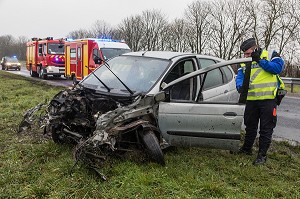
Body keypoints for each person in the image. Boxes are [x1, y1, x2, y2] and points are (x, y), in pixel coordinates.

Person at [236, 38, 285, 165]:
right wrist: (239, 86)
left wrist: (260, 60)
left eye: (248, 53)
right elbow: (240, 76)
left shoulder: (270, 55)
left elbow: (277, 68)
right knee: (250, 127)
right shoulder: (245, 61)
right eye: (244, 54)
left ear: (255, 48)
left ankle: (262, 156)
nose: (246, 56)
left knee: (266, 129)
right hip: (252, 100)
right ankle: (246, 149)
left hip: (268, 100)